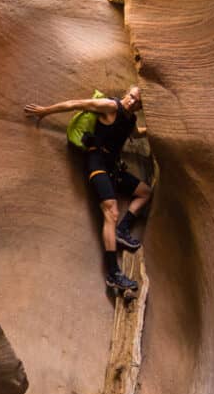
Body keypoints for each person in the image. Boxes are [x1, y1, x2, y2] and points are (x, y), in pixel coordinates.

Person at [23, 86, 151, 291]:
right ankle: (113, 273)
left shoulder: (131, 120)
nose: (132, 102)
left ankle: (122, 230)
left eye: (137, 103)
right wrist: (45, 111)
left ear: (140, 108)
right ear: (127, 93)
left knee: (145, 192)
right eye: (131, 97)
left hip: (113, 167)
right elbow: (76, 104)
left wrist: (159, 130)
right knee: (111, 211)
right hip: (97, 162)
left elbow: (135, 134)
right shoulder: (110, 106)